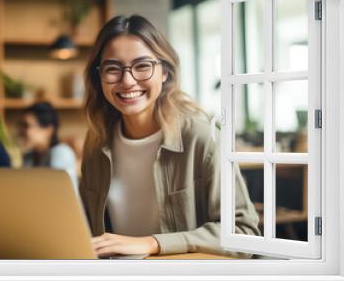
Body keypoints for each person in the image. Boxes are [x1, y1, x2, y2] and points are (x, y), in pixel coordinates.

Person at [78, 14, 260, 259]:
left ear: (164, 72)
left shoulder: (201, 137)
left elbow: (244, 234)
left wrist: (153, 243)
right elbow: (86, 232)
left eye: (142, 66)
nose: (127, 81)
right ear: (98, 77)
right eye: (113, 69)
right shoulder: (96, 144)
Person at [19, 102, 78, 190]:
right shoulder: (29, 157)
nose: (22, 131)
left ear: (48, 130)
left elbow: (53, 193)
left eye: (27, 126)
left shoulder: (61, 153)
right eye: (22, 126)